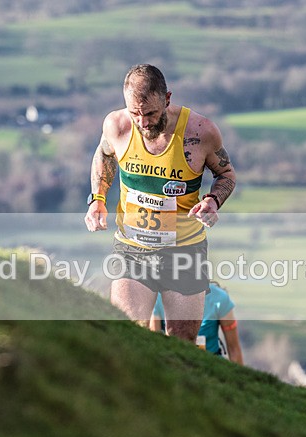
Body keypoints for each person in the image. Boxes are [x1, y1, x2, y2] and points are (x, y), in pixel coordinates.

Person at [84, 64, 237, 343]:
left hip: (184, 251)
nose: (143, 122)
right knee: (128, 336)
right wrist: (97, 198)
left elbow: (226, 174)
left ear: (167, 99)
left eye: (151, 113)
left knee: (182, 341)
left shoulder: (200, 132)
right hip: (132, 249)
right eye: (135, 113)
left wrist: (213, 201)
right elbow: (104, 155)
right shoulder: (117, 126)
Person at [149, 281, 244, 365]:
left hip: (212, 367)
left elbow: (234, 349)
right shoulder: (160, 298)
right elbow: (155, 343)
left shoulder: (219, 298)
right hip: (175, 364)